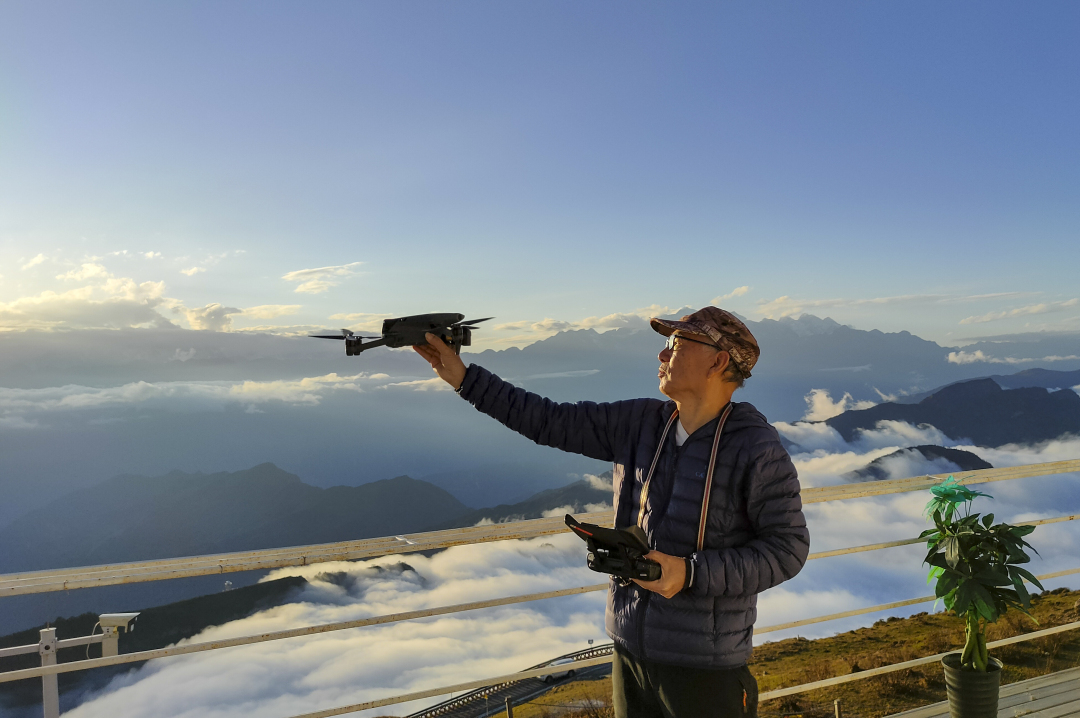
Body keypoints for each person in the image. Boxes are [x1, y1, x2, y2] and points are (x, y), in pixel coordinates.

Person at [414, 306, 809, 718]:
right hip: (630, 651)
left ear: (718, 360)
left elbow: (788, 549)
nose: (661, 355)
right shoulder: (639, 423)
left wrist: (689, 572)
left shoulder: (756, 449)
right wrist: (464, 379)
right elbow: (549, 421)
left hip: (705, 668)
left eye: (675, 344)